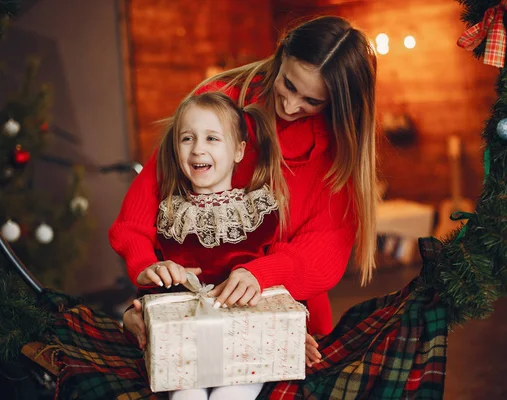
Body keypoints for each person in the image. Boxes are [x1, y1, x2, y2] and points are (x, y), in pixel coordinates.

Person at [110, 14, 378, 363]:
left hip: (280, 309)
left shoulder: (338, 151)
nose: (291, 105)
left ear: (340, 104)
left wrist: (263, 273)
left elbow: (325, 247)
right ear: (280, 57)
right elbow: (144, 203)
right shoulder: (218, 103)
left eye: (313, 101)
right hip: (189, 306)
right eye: (290, 84)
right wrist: (145, 268)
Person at [139, 91, 290, 399]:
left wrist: (296, 331)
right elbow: (157, 293)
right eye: (187, 139)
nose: (197, 149)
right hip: (186, 340)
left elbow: (281, 277)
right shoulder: (170, 215)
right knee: (186, 396)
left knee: (231, 395)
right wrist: (153, 277)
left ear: (238, 150)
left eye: (212, 138)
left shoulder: (258, 212)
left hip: (247, 340)